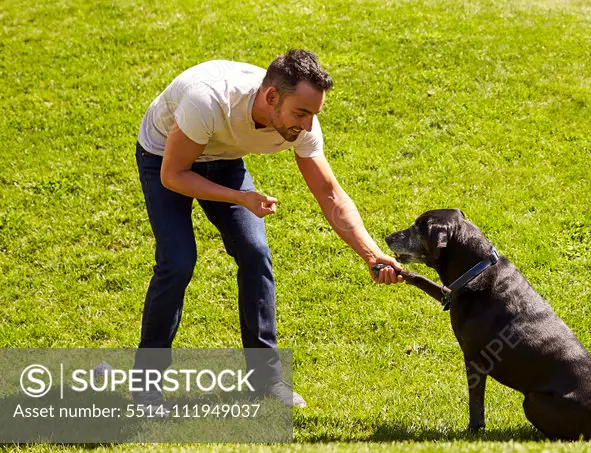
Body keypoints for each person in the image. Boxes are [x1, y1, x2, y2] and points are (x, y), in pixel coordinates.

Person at [132, 49, 403, 409]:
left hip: (224, 157)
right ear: (271, 97)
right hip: (164, 155)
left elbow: (331, 194)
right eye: (301, 114)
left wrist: (371, 254)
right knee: (177, 262)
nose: (307, 126)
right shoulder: (208, 100)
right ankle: (145, 385)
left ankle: (264, 379)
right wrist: (239, 198)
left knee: (255, 253)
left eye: (313, 115)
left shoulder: (301, 120)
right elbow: (174, 174)